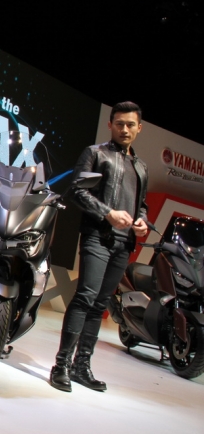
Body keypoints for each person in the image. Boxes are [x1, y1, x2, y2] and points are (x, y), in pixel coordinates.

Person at [49, 101, 149, 392]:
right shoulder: (96, 153)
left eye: (130, 124)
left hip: (124, 242)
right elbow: (76, 190)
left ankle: (82, 367)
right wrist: (108, 213)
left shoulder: (141, 166)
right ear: (110, 125)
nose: (125, 129)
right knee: (85, 297)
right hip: (98, 236)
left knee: (100, 305)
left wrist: (142, 221)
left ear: (139, 128)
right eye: (119, 123)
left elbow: (141, 205)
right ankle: (61, 365)